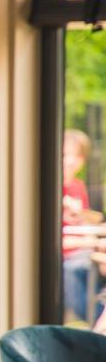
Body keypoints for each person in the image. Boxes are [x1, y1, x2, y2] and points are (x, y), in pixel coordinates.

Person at [62, 128, 102, 323]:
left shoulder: (77, 187)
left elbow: (85, 220)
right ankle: (95, 319)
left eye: (77, 156)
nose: (71, 161)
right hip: (68, 255)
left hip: (80, 250)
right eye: (67, 155)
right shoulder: (52, 187)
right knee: (77, 268)